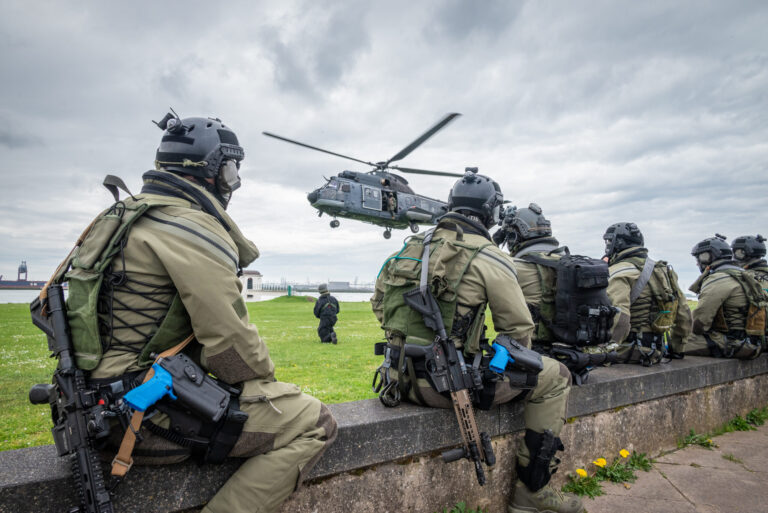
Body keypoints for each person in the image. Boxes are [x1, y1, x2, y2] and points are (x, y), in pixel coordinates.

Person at [43, 112, 337, 513]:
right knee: (315, 423)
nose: (233, 183)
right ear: (213, 170)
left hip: (93, 407)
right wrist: (266, 384)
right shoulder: (190, 226)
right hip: (147, 417)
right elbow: (233, 349)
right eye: (232, 171)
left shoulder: (121, 217)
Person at [371, 171, 584, 513]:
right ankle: (533, 493)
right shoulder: (488, 255)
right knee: (557, 377)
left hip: (398, 381)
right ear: (491, 214)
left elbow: (380, 306)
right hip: (447, 390)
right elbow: (517, 331)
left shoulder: (409, 248)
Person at [497, 204, 616, 384]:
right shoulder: (569, 266)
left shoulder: (516, 268)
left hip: (535, 359)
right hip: (574, 358)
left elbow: (487, 264)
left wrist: (495, 239)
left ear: (515, 236)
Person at [603, 222, 692, 364]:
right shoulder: (663, 270)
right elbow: (684, 315)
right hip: (656, 350)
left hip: (628, 350)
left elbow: (620, 318)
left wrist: (606, 353)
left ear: (617, 243)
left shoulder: (619, 271)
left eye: (608, 242)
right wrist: (677, 349)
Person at [686, 234, 764, 359]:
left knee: (678, 342)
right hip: (753, 341)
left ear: (708, 257)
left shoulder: (718, 278)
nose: (697, 264)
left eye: (699, 258)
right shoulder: (743, 274)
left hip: (736, 343)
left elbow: (699, 323)